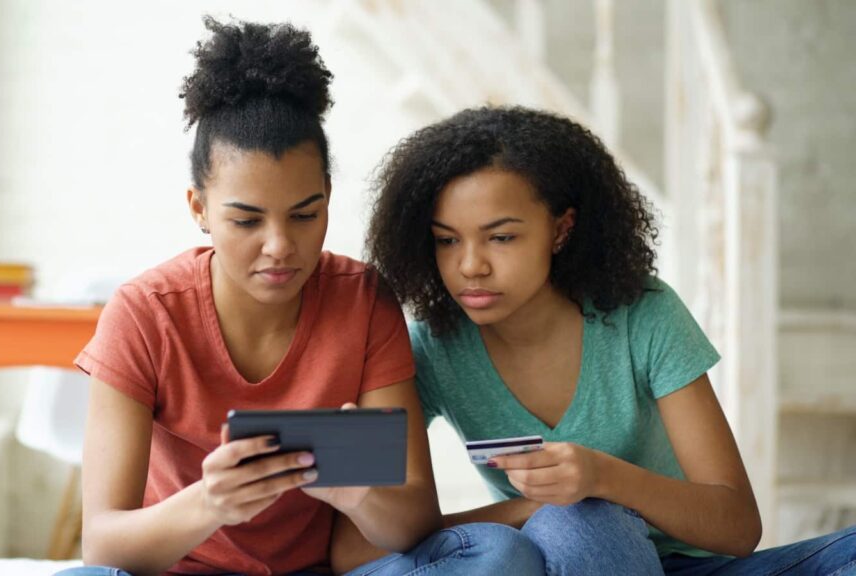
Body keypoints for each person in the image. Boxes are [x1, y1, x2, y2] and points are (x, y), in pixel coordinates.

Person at [59, 21, 542, 576]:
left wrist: (356, 493)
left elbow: (412, 524)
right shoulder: (145, 314)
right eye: (246, 220)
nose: (280, 247)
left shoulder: (361, 301)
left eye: (306, 215)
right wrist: (209, 504)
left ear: (329, 199)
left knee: (498, 556)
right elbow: (103, 544)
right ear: (199, 209)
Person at [363, 105, 856, 575]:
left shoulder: (642, 313)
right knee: (578, 520)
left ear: (561, 229)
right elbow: (363, 546)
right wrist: (534, 506)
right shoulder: (431, 346)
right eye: (448, 240)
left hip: (696, 567)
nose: (471, 265)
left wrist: (602, 477)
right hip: (568, 557)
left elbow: (738, 526)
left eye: (502, 237)